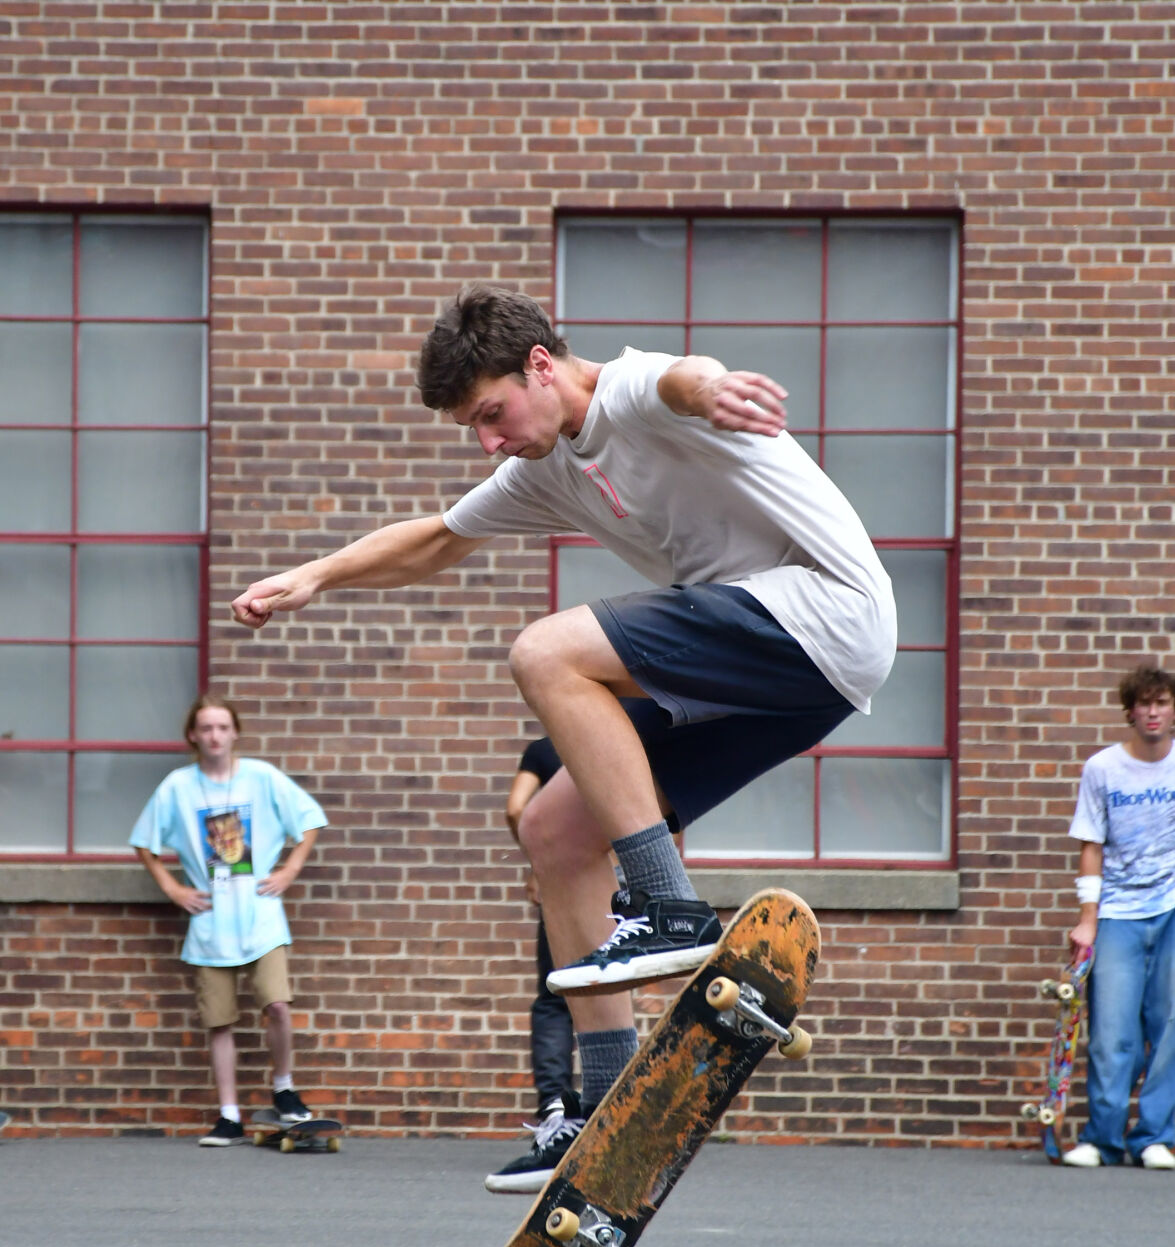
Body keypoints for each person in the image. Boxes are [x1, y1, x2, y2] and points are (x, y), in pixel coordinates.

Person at [231, 283, 896, 1190]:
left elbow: (679, 380)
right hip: (784, 676)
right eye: (473, 426)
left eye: (493, 413)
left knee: (546, 652)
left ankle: (668, 904)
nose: (490, 440)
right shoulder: (543, 466)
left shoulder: (626, 392)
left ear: (541, 365)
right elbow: (435, 539)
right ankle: (607, 1108)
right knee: (552, 830)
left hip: (823, 611)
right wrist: (313, 575)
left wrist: (711, 391)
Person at [130, 694, 328, 1147]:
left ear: (235, 732)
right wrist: (172, 887)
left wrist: (290, 870)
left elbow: (310, 819)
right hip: (211, 921)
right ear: (193, 736)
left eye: (223, 727)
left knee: (277, 1005)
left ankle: (284, 1088)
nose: (215, 736)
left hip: (261, 916)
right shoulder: (178, 787)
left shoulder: (261, 777)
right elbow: (144, 841)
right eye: (206, 728)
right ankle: (229, 1114)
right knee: (219, 1020)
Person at [1062, 665, 1175, 1170]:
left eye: (1162, 702)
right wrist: (1088, 919)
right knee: (1111, 1031)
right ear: (1130, 711)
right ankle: (1103, 1139)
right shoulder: (1103, 768)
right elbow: (1092, 846)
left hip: (1171, 910)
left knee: (1169, 1027)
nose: (1153, 712)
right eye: (1144, 703)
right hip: (1118, 915)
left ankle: (1154, 1136)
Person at [485, 735, 580, 1193]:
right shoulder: (633, 736)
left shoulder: (546, 748)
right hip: (621, 885)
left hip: (563, 884)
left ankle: (557, 1111)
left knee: (555, 996)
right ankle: (611, 1113)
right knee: (609, 997)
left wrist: (544, 861)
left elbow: (514, 807)